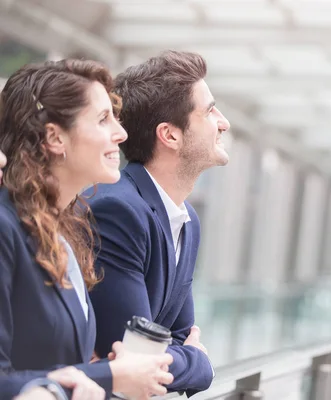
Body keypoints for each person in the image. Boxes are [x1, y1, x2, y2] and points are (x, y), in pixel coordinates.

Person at [0, 59, 174, 400]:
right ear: (54, 137)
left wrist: (108, 375)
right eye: (102, 119)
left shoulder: (62, 233)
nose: (120, 133)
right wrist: (110, 376)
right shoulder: (5, 228)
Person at [87, 50, 230, 393]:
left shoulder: (187, 220)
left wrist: (182, 356)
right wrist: (198, 363)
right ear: (170, 135)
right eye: (209, 111)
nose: (223, 122)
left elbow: (180, 334)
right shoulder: (118, 211)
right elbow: (131, 358)